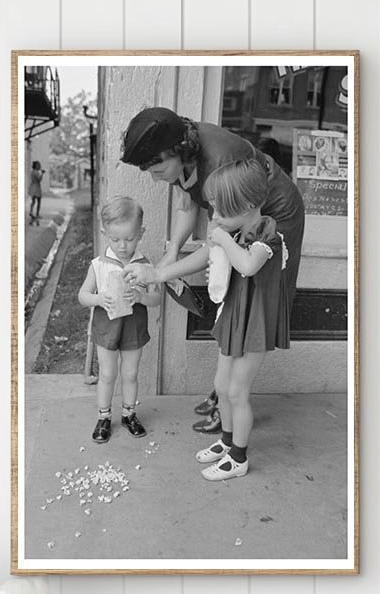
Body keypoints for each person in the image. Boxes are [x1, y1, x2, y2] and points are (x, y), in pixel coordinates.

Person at [119, 107, 305, 432]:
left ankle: (231, 398)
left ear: (178, 151)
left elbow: (215, 244)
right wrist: (172, 253)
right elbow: (188, 203)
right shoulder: (182, 152)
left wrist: (161, 273)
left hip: (276, 213)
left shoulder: (222, 161)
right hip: (239, 224)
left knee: (252, 303)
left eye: (156, 166)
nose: (153, 175)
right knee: (234, 302)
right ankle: (224, 390)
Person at [184, 158, 287, 481]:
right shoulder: (239, 232)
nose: (214, 218)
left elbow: (247, 266)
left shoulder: (270, 237)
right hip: (233, 317)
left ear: (248, 205)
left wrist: (223, 240)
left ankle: (239, 458)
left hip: (255, 324)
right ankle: (226, 441)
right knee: (221, 386)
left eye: (220, 210)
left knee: (238, 392)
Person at [77, 197, 161, 444]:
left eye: (130, 238)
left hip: (133, 327)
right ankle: (104, 417)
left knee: (131, 373)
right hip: (106, 328)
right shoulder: (99, 264)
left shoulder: (145, 265)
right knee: (107, 373)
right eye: (115, 239)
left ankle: (129, 413)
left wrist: (141, 296)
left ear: (141, 233)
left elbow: (156, 298)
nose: (123, 246)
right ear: (105, 234)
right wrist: (99, 299)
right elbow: (83, 296)